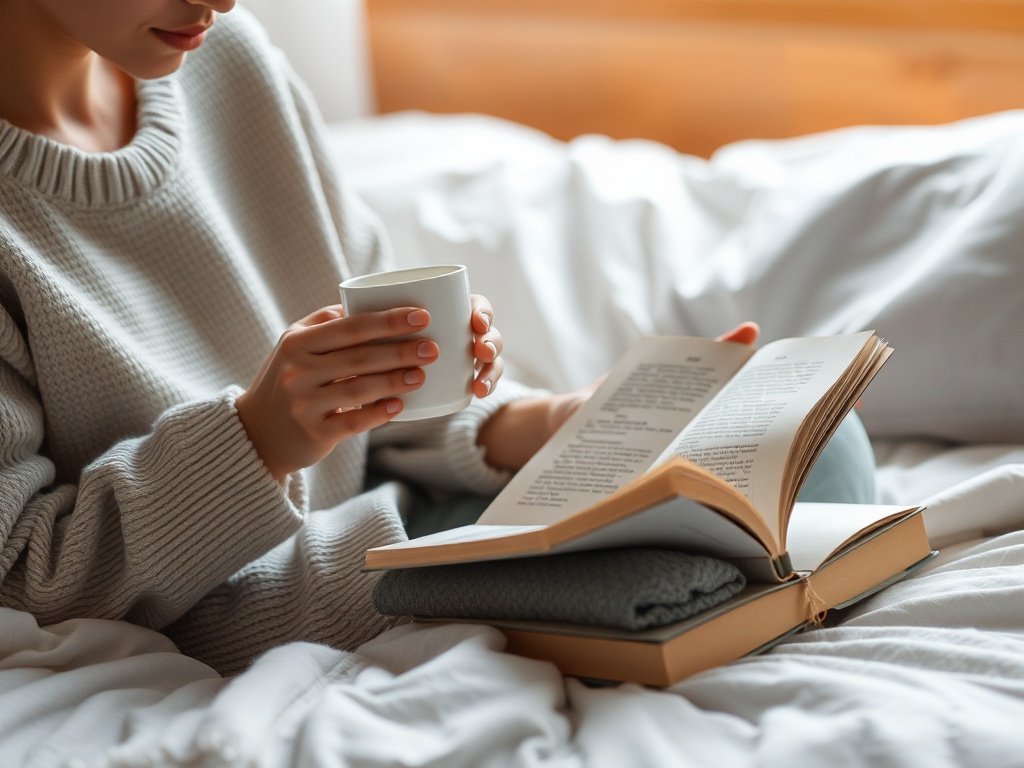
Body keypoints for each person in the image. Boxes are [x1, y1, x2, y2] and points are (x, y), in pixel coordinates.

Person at [0, 0, 868, 675]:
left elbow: (373, 399)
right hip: (298, 591)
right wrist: (256, 438)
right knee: (709, 547)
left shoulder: (230, 60)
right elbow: (23, 573)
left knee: (802, 440)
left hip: (411, 519)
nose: (221, 2)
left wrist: (544, 424)